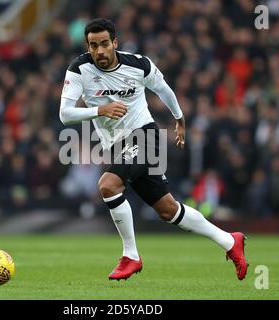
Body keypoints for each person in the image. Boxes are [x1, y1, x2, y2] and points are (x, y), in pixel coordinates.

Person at [59, 18, 248, 281]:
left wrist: (179, 118)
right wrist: (99, 110)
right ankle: (230, 241)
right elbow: (65, 115)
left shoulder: (139, 64)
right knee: (168, 210)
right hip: (116, 146)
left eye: (104, 44)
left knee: (108, 185)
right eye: (93, 46)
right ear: (87, 47)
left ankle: (131, 256)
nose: (99, 51)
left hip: (145, 136)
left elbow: (164, 90)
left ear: (115, 42)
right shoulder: (79, 69)